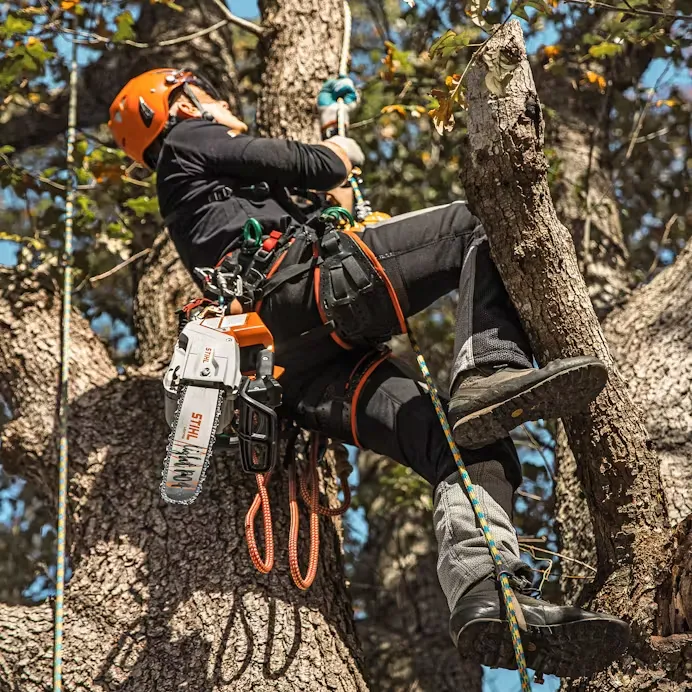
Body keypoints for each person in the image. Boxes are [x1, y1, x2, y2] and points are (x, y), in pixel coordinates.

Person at [109, 68, 630, 678]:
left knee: (459, 443)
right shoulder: (186, 139)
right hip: (302, 290)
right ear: (175, 106)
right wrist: (335, 152)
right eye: (207, 93)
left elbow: (324, 202)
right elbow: (313, 166)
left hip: (295, 369)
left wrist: (337, 195)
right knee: (476, 224)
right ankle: (488, 367)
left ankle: (488, 594)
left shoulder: (206, 187)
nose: (222, 102)